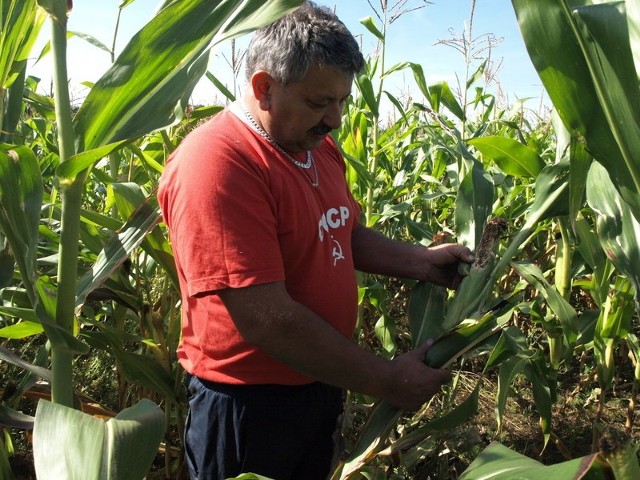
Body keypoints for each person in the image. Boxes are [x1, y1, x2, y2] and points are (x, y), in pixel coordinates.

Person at [158, 2, 474, 479]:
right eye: (318, 102)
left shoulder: (316, 147)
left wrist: (422, 262)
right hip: (249, 405)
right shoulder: (219, 164)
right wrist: (387, 380)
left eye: (341, 101)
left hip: (321, 380)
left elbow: (341, 232)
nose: (336, 120)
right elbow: (268, 320)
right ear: (264, 88)